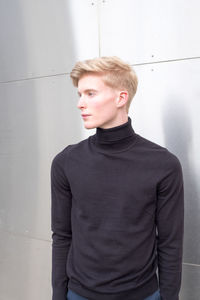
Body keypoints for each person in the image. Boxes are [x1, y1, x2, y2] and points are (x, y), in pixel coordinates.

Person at [50, 56, 184, 300]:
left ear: (121, 98)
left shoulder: (163, 165)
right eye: (79, 94)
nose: (81, 103)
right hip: (79, 294)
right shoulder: (66, 162)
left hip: (142, 295)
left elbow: (170, 244)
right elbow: (62, 236)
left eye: (90, 94)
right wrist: (58, 295)